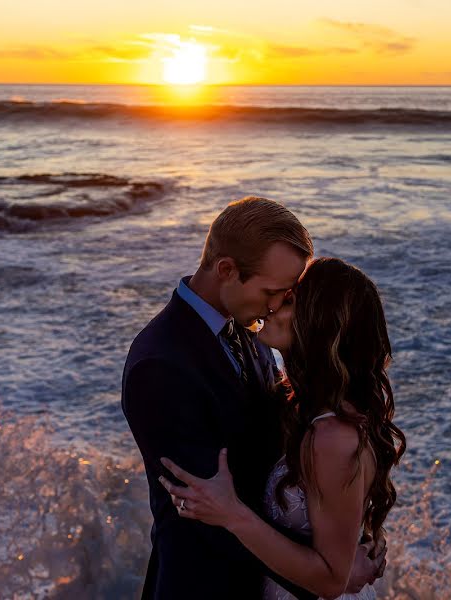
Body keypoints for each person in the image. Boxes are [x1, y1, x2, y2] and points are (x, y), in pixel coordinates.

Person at [122, 198, 386, 599]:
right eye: (273, 291)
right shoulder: (161, 362)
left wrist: (347, 538)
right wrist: (334, 568)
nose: (277, 305)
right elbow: (202, 510)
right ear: (226, 270)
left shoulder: (248, 329)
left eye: (288, 295)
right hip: (208, 587)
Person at [160, 257, 406, 600]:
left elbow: (332, 581)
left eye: (289, 301)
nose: (272, 306)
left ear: (322, 325)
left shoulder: (332, 436)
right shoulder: (303, 409)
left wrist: (233, 514)